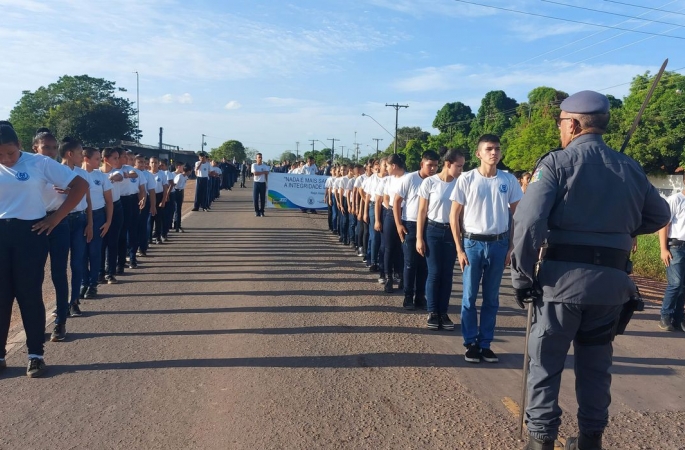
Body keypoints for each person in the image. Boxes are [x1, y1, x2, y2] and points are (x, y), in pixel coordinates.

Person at [510, 91, 670, 450]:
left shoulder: (556, 163)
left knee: (545, 365)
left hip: (560, 285)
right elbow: (659, 216)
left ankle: (540, 441)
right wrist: (617, 229)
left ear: (575, 124)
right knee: (596, 368)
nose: (560, 130)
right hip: (611, 287)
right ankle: (590, 440)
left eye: (561, 123)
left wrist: (521, 278)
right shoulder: (629, 166)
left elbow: (528, 222)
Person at [0, 122, 88, 377]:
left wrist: (56, 218)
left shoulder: (38, 162)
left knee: (28, 294)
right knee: (2, 296)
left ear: (19, 146)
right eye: (0, 154)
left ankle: (35, 354)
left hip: (31, 233)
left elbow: (80, 185)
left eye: (11, 153)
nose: (7, 159)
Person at [449, 134, 523, 363]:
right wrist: (460, 250)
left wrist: (512, 246)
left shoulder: (508, 180)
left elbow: (516, 216)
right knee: (469, 297)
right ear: (478, 153)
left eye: (497, 149)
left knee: (492, 298)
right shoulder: (467, 179)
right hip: (472, 244)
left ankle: (485, 343)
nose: (494, 153)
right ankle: (470, 343)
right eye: (489, 149)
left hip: (499, 244)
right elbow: (454, 216)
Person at [416, 149, 465, 329]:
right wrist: (419, 238)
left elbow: (461, 215)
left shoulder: (460, 184)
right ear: (447, 164)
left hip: (452, 233)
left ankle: (443, 313)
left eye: (462, 166)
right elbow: (422, 211)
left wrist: (462, 238)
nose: (461, 170)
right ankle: (432, 312)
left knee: (447, 274)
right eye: (458, 166)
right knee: (435, 272)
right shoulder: (430, 182)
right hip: (433, 230)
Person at [394, 150, 439, 310]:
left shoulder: (436, 181)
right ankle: (408, 296)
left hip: (429, 225)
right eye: (429, 165)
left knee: (424, 265)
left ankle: (420, 296)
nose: (432, 169)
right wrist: (399, 224)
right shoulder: (410, 179)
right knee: (410, 263)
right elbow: (397, 201)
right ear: (422, 164)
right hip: (410, 225)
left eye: (435, 165)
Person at [81, 147, 112, 299]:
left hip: (98, 215)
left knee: (94, 252)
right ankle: (83, 282)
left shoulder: (101, 177)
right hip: (80, 216)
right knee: (81, 254)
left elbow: (109, 201)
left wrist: (108, 221)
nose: (99, 161)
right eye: (96, 158)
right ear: (86, 159)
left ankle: (93, 284)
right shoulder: (75, 174)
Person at [658, 184, 685, 332]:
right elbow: (664, 225)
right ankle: (665, 316)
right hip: (676, 247)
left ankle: (679, 318)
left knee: (683, 285)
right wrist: (663, 249)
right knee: (676, 283)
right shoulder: (676, 199)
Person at [383, 154, 407, 294]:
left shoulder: (408, 178)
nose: (386, 169)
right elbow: (386, 197)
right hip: (391, 213)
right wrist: (390, 208)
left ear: (394, 166)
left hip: (406, 214)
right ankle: (388, 278)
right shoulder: (389, 180)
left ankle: (403, 277)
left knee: (403, 248)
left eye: (387, 166)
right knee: (389, 247)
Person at [148, 156, 168, 244]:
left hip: (159, 196)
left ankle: (158, 236)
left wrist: (163, 200)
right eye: (152, 162)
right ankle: (149, 237)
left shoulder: (162, 174)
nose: (154, 164)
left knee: (158, 218)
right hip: (149, 197)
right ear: (149, 164)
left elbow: (165, 188)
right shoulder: (147, 174)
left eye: (156, 162)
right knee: (149, 219)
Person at [173, 162, 191, 232]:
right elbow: (173, 185)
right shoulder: (179, 176)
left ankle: (177, 225)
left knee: (178, 209)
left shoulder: (185, 177)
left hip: (180, 192)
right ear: (189, 171)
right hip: (176, 192)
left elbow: (183, 187)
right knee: (176, 209)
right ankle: (177, 226)